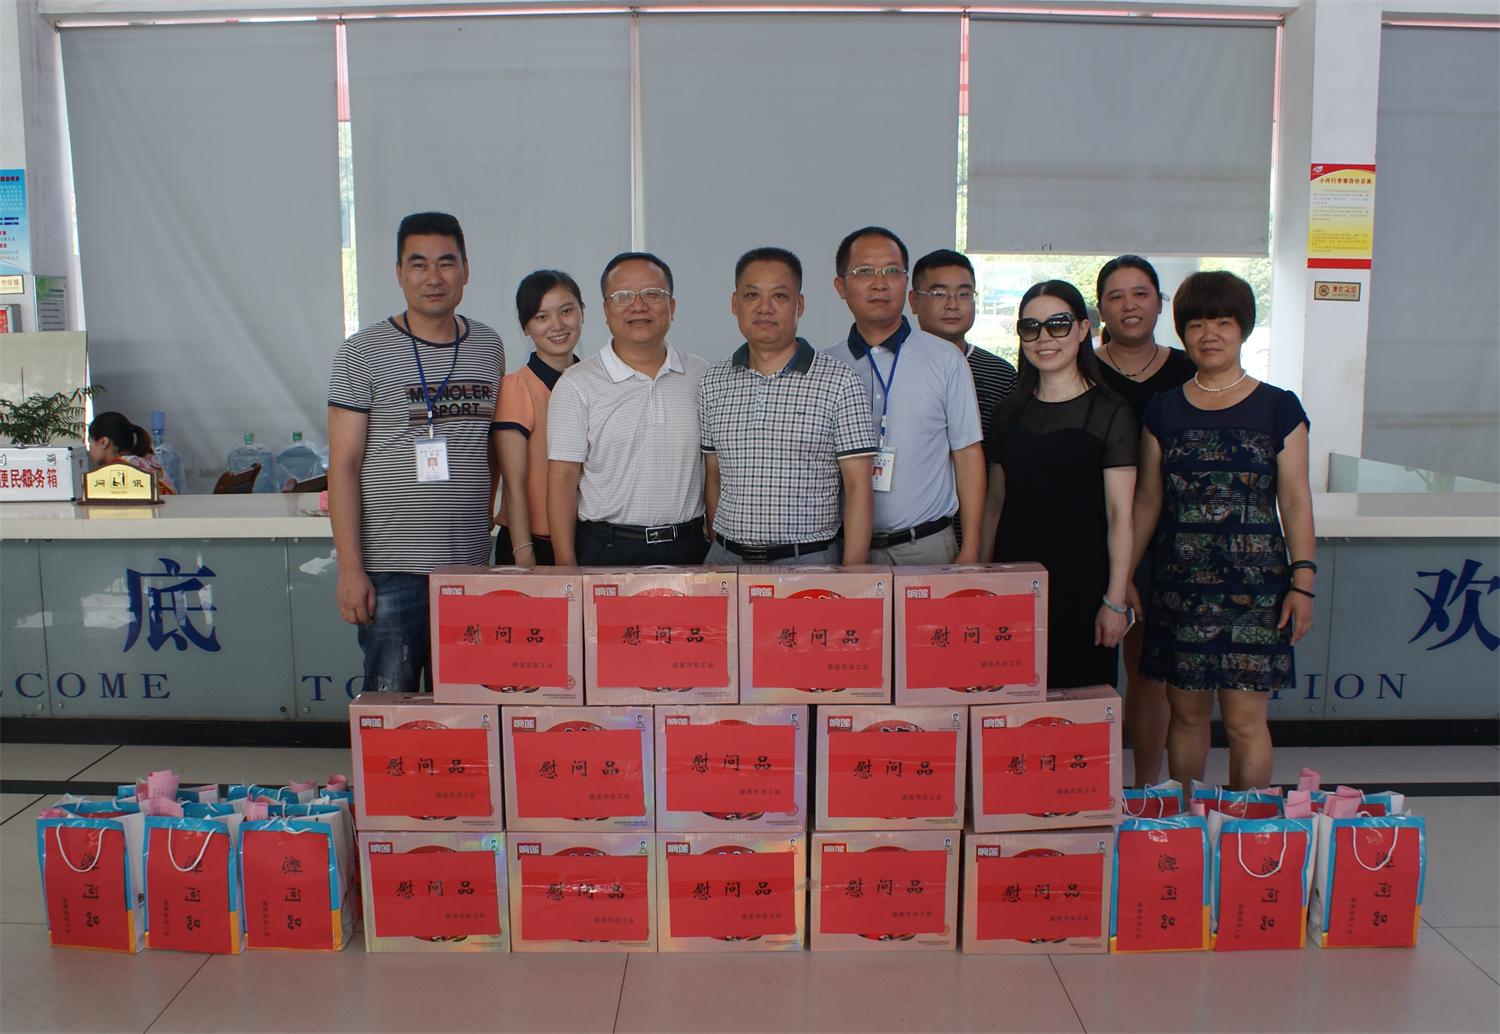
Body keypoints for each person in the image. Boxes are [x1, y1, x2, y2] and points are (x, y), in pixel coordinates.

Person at [1130, 270, 1315, 792]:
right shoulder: (1163, 409)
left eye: (1223, 322)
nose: (1209, 334)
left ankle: (1245, 829)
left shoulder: (1279, 407)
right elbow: (1148, 500)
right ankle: (1187, 827)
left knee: (1243, 721)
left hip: (1256, 590)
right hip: (1180, 587)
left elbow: (1295, 499)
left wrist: (1303, 582)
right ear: (1183, 332)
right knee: (1186, 716)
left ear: (1243, 329)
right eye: (1196, 324)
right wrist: (1124, 577)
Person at [326, 211, 505, 693]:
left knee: (468, 705)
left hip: (468, 564)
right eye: (418, 264)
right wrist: (350, 570)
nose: (433, 277)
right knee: (393, 707)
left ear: (465, 270)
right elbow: (343, 465)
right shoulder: (362, 352)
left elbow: (489, 446)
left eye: (446, 263)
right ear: (399, 273)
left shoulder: (487, 346)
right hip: (391, 570)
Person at [979, 280, 1136, 689]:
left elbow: (1121, 516)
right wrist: (980, 582)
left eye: (1058, 324)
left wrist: (1115, 600)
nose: (1044, 338)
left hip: (1084, 583)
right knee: (1010, 702)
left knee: (1079, 706)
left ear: (1083, 329)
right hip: (1012, 581)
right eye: (1031, 327)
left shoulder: (1111, 413)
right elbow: (994, 504)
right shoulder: (1008, 412)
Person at [699, 247, 877, 566]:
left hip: (810, 561)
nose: (765, 307)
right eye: (752, 295)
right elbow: (714, 475)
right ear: (735, 304)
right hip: (726, 560)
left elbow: (859, 487)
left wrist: (852, 576)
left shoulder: (840, 382)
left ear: (799, 305)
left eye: (779, 296)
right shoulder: (712, 382)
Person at [1092, 255, 1197, 786]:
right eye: (1116, 296)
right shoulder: (1082, 368)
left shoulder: (1190, 370)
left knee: (1150, 671)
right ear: (1100, 308)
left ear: (1160, 303)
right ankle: (1095, 783)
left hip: (1172, 540)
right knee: (1094, 672)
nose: (1129, 305)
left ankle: (1147, 788)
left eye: (1141, 293)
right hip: (1094, 533)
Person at [823, 227, 985, 565]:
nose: (879, 283)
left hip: (926, 545)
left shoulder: (946, 360)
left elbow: (968, 455)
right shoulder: (825, 366)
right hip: (843, 548)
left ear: (906, 283)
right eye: (864, 271)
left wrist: (971, 546)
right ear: (841, 286)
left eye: (892, 271)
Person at [547, 251, 710, 566]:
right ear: (606, 311)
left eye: (653, 294)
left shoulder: (700, 375)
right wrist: (566, 566)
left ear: (672, 306)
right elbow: (562, 481)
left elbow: (715, 470)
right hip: (608, 550)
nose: (638, 306)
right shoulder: (576, 383)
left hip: (689, 549)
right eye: (623, 296)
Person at [493, 270, 584, 567]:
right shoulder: (517, 387)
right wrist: (523, 554)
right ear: (525, 327)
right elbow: (514, 483)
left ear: (582, 312)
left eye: (566, 311)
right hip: (532, 544)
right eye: (541, 317)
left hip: (588, 540)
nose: (557, 325)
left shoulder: (594, 383)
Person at [909, 248, 1017, 443]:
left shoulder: (1002, 374)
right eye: (939, 294)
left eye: (964, 294)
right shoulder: (897, 366)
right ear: (914, 301)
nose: (953, 305)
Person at [86, 412, 176, 493]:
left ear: (103, 442)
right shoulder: (146, 459)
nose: (90, 449)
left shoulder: (119, 468)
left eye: (90, 443)